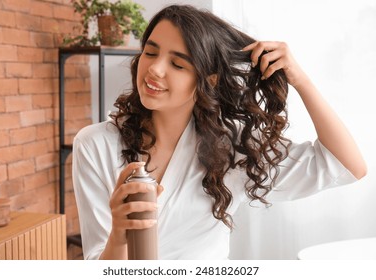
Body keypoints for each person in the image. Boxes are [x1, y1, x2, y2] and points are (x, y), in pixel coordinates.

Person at [72, 5, 367, 260]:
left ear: (208, 79)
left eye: (177, 64)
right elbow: (99, 264)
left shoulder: (232, 146)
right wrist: (119, 234)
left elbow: (347, 166)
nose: (155, 69)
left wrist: (300, 79)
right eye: (150, 52)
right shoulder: (95, 145)